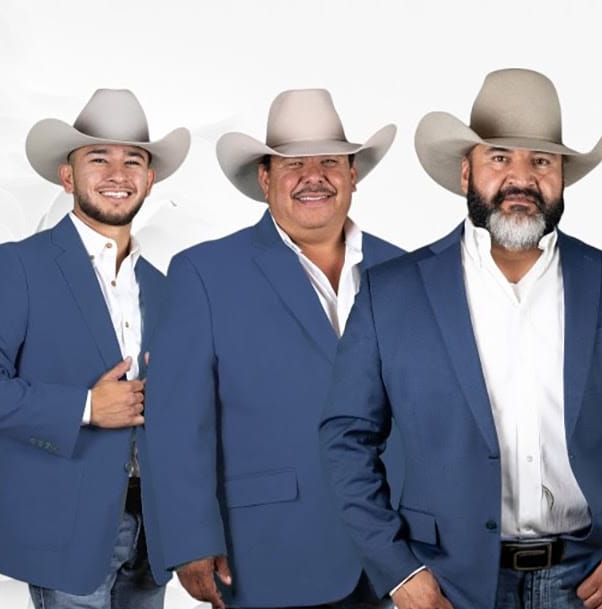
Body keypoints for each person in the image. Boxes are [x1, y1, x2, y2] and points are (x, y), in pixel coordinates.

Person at [319, 68, 602, 609]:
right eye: (500, 157)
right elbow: (345, 439)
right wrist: (398, 572)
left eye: (541, 161)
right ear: (465, 172)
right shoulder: (393, 293)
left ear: (562, 176)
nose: (520, 178)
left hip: (588, 583)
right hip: (447, 586)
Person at [143, 89, 404, 609]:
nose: (314, 176)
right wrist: (190, 540)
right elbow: (175, 422)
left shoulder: (404, 272)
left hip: (397, 557)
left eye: (330, 161)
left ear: (353, 174)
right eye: (293, 164)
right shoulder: (204, 274)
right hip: (267, 552)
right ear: (265, 180)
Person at [0, 88, 189, 608]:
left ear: (149, 179)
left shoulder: (165, 288)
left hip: (155, 534)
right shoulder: (20, 267)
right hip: (64, 527)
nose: (118, 174)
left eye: (133, 160)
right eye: (98, 158)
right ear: (68, 175)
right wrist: (85, 407)